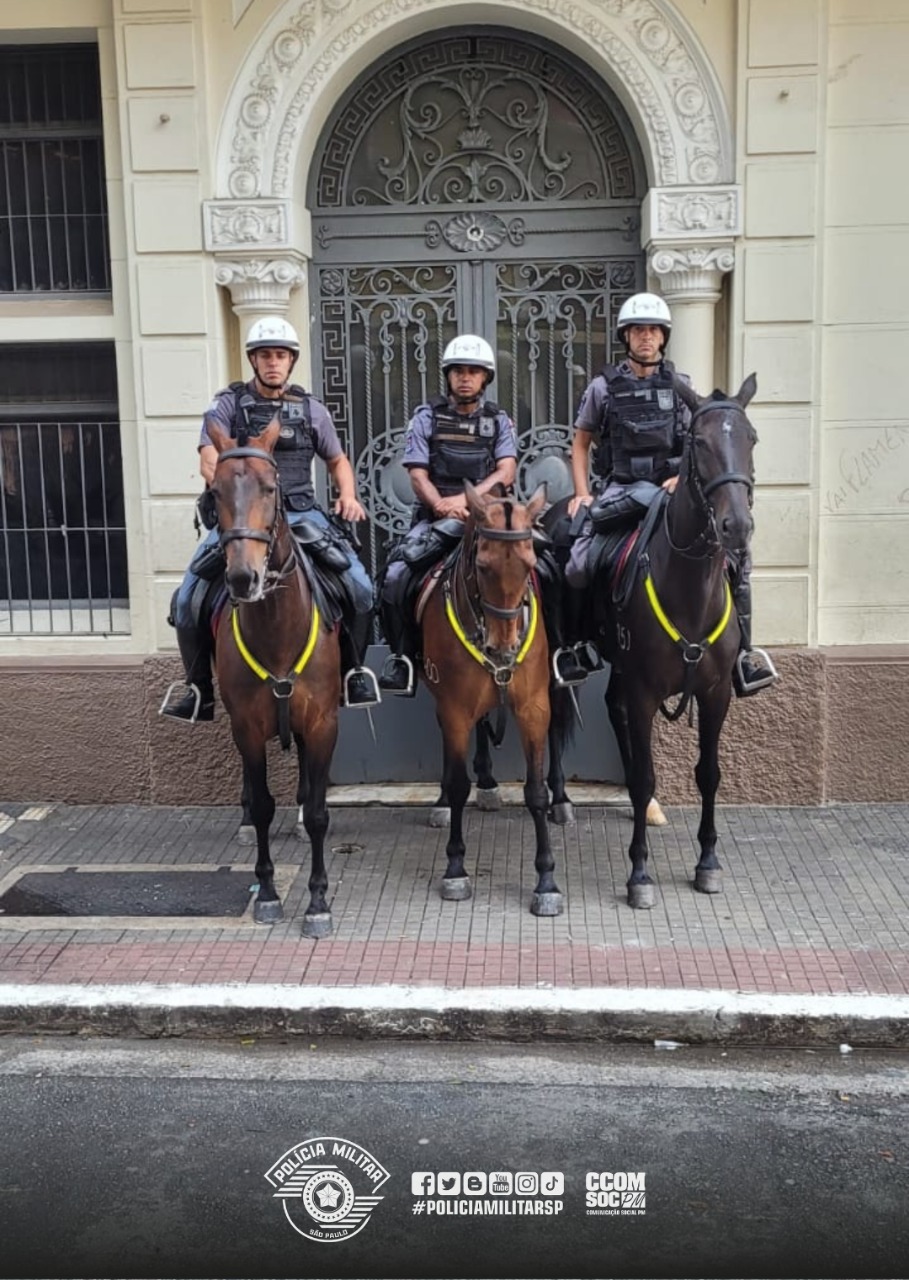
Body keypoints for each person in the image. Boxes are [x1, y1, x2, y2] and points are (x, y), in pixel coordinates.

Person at [160, 315, 380, 723]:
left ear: (291, 361)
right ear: (253, 360)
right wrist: (226, 485)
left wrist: (347, 495)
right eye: (265, 356)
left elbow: (337, 460)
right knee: (188, 597)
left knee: (361, 589)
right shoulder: (227, 404)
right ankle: (198, 690)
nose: (273, 362)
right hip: (243, 520)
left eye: (280, 355)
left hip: (301, 514)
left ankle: (353, 675)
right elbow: (209, 455)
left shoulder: (311, 409)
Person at [562, 290, 776, 696]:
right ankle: (581, 646)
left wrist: (680, 479)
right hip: (621, 490)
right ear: (626, 337)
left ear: (664, 337)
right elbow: (581, 442)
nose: (646, 338)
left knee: (737, 560)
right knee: (576, 564)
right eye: (638, 331)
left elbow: (699, 445)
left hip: (669, 489)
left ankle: (742, 656)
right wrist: (581, 492)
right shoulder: (602, 389)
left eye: (654, 331)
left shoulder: (682, 387)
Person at [376, 334, 520, 696]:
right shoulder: (427, 416)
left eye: (473, 372)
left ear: (485, 378)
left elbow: (506, 472)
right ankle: (403, 659)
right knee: (395, 578)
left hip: (488, 522)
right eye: (458, 371)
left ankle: (559, 651)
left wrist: (467, 502)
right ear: (449, 376)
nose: (465, 378)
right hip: (434, 518)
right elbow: (417, 474)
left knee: (546, 569)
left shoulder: (499, 421)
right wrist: (442, 504)